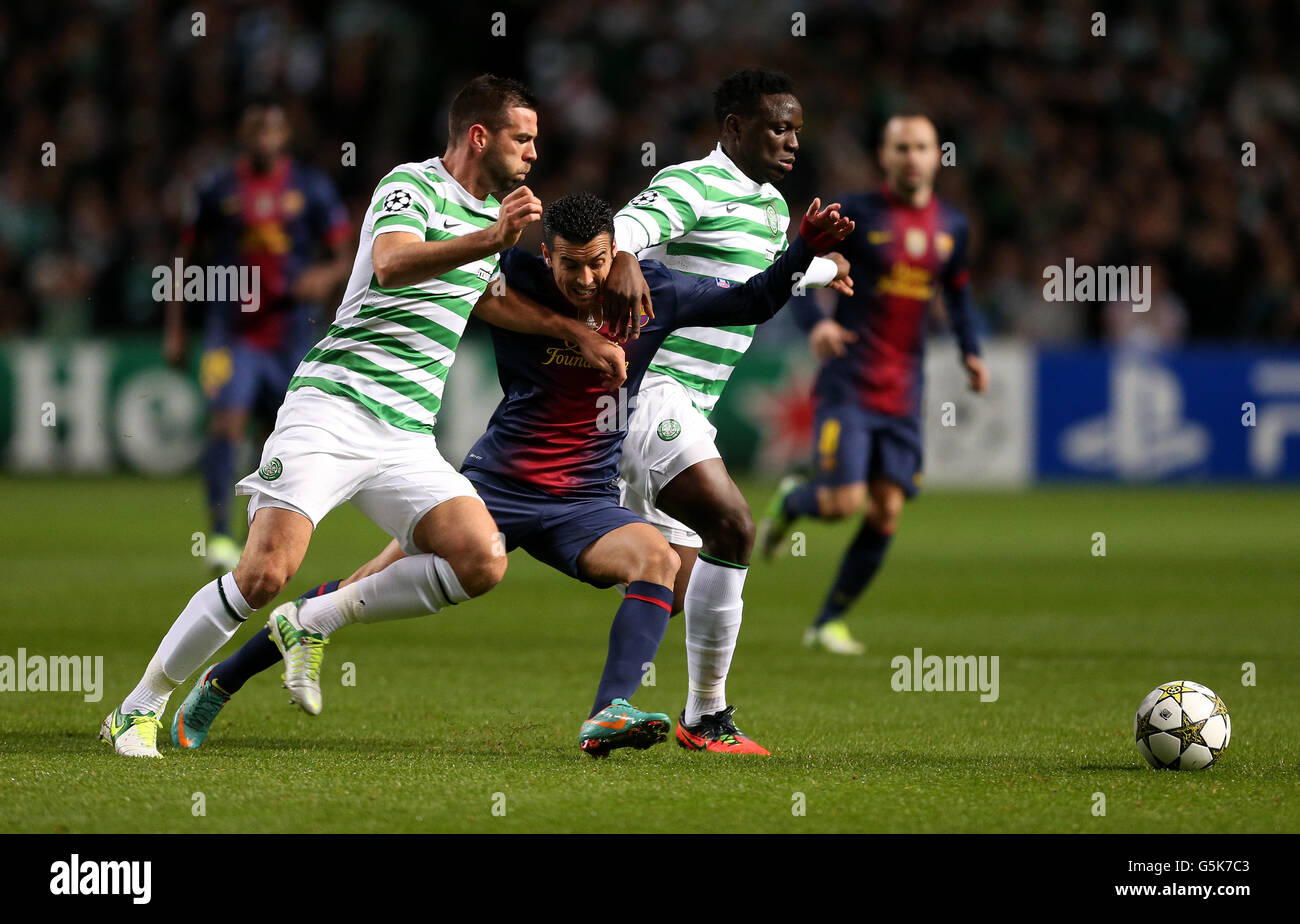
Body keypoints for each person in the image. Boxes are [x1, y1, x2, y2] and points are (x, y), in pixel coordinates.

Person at [170, 191, 853, 758]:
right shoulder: (514, 280)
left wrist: (804, 249)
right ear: (545, 256)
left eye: (598, 262)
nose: (584, 279)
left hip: (585, 499)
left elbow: (754, 299)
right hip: (493, 488)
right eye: (570, 265)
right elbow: (438, 278)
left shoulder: (657, 292)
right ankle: (220, 684)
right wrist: (569, 324)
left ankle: (608, 711)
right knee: (356, 589)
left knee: (658, 560)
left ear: (616, 253)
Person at [101, 75, 625, 758]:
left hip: (405, 436)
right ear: (479, 136)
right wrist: (492, 236)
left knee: (481, 558)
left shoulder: (489, 218)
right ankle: (137, 708)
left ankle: (315, 618)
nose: (533, 153)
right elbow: (391, 264)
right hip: (333, 408)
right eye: (522, 138)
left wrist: (575, 333)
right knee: (262, 574)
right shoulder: (412, 186)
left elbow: (486, 298)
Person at [596, 67, 854, 750]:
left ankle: (611, 708)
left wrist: (825, 268)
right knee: (734, 526)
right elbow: (627, 225)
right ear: (735, 128)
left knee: (674, 585)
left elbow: (760, 282)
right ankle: (705, 717)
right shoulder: (693, 183)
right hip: (652, 390)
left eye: (797, 129)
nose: (791, 140)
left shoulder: (772, 207)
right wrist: (622, 254)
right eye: (778, 127)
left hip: (689, 405)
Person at [758, 114, 989, 654]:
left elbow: (957, 294)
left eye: (921, 147)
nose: (912, 157)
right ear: (884, 156)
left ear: (937, 156)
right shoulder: (855, 214)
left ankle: (828, 623)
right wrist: (817, 326)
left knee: (886, 510)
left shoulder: (952, 226)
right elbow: (795, 269)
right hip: (850, 380)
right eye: (901, 148)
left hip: (904, 389)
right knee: (842, 503)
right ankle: (794, 500)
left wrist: (971, 352)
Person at [164, 98, 352, 573]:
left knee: (274, 438)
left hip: (291, 333)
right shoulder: (217, 187)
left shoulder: (310, 186)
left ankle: (257, 538)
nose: (263, 135)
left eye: (271, 127)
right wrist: (175, 328)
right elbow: (184, 256)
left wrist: (324, 276)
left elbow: (346, 254)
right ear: (242, 135)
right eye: (254, 127)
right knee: (227, 422)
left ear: (285, 134)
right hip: (232, 331)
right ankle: (219, 536)